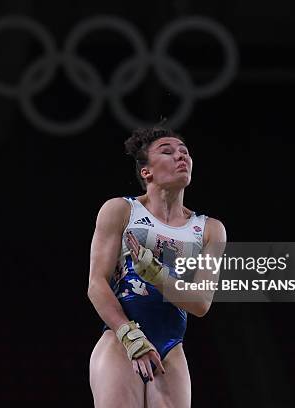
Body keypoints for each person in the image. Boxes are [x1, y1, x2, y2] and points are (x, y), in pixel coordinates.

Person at [87, 125, 227, 407]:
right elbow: (96, 284)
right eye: (167, 151)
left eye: (184, 152)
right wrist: (130, 336)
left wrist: (156, 275)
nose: (181, 156)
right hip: (120, 341)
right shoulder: (121, 210)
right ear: (146, 172)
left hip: (171, 347)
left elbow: (200, 302)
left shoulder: (210, 230)